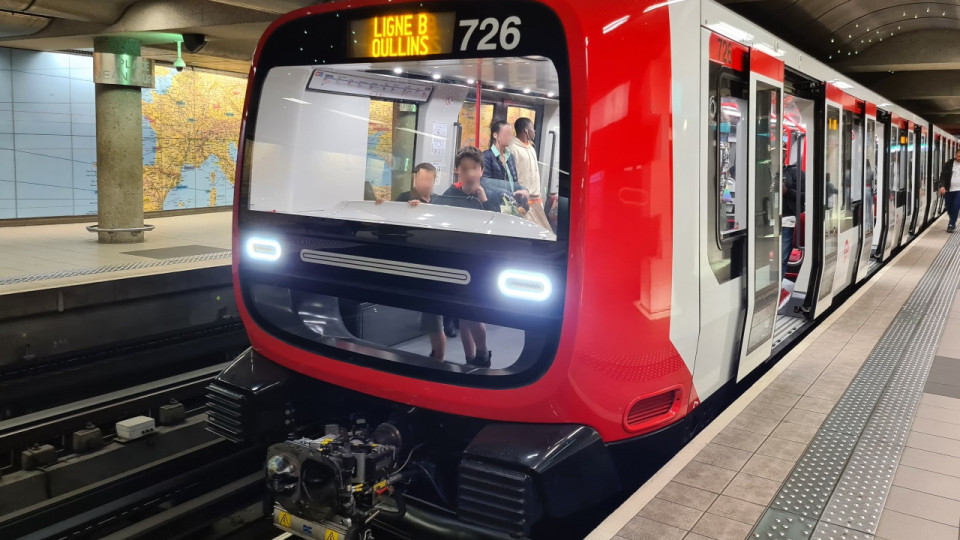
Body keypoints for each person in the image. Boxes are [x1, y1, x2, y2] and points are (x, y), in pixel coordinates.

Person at [435, 146, 504, 367]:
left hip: (481, 263)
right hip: (457, 260)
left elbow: (500, 226)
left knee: (474, 315)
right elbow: (434, 214)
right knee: (463, 315)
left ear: (481, 170)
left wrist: (485, 202)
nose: (470, 173)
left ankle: (483, 355)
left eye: (474, 168)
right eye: (465, 169)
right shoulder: (449, 195)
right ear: (458, 172)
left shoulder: (490, 195)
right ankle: (470, 360)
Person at [509, 117, 552, 231]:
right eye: (532, 128)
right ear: (526, 130)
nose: (535, 131)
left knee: (541, 231)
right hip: (524, 199)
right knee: (526, 231)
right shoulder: (513, 148)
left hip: (536, 198)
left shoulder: (531, 148)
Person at [482, 121, 529, 208]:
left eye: (511, 134)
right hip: (495, 203)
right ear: (495, 135)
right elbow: (485, 183)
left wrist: (523, 190)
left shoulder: (510, 156)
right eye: (506, 134)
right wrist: (510, 194)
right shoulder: (487, 156)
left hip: (510, 203)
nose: (509, 137)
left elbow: (514, 182)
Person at [938, 149, 960, 232]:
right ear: (955, 155)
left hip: (959, 190)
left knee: (956, 205)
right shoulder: (949, 164)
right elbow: (943, 176)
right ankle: (953, 219)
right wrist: (942, 186)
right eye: (958, 156)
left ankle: (951, 224)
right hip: (949, 189)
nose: (959, 158)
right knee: (948, 206)